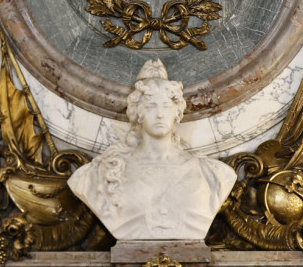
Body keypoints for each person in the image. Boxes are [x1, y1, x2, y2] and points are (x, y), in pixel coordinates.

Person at [68, 59, 236, 241]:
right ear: (138, 113)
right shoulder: (103, 172)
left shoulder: (214, 174)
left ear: (177, 113)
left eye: (166, 106)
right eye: (151, 106)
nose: (160, 114)